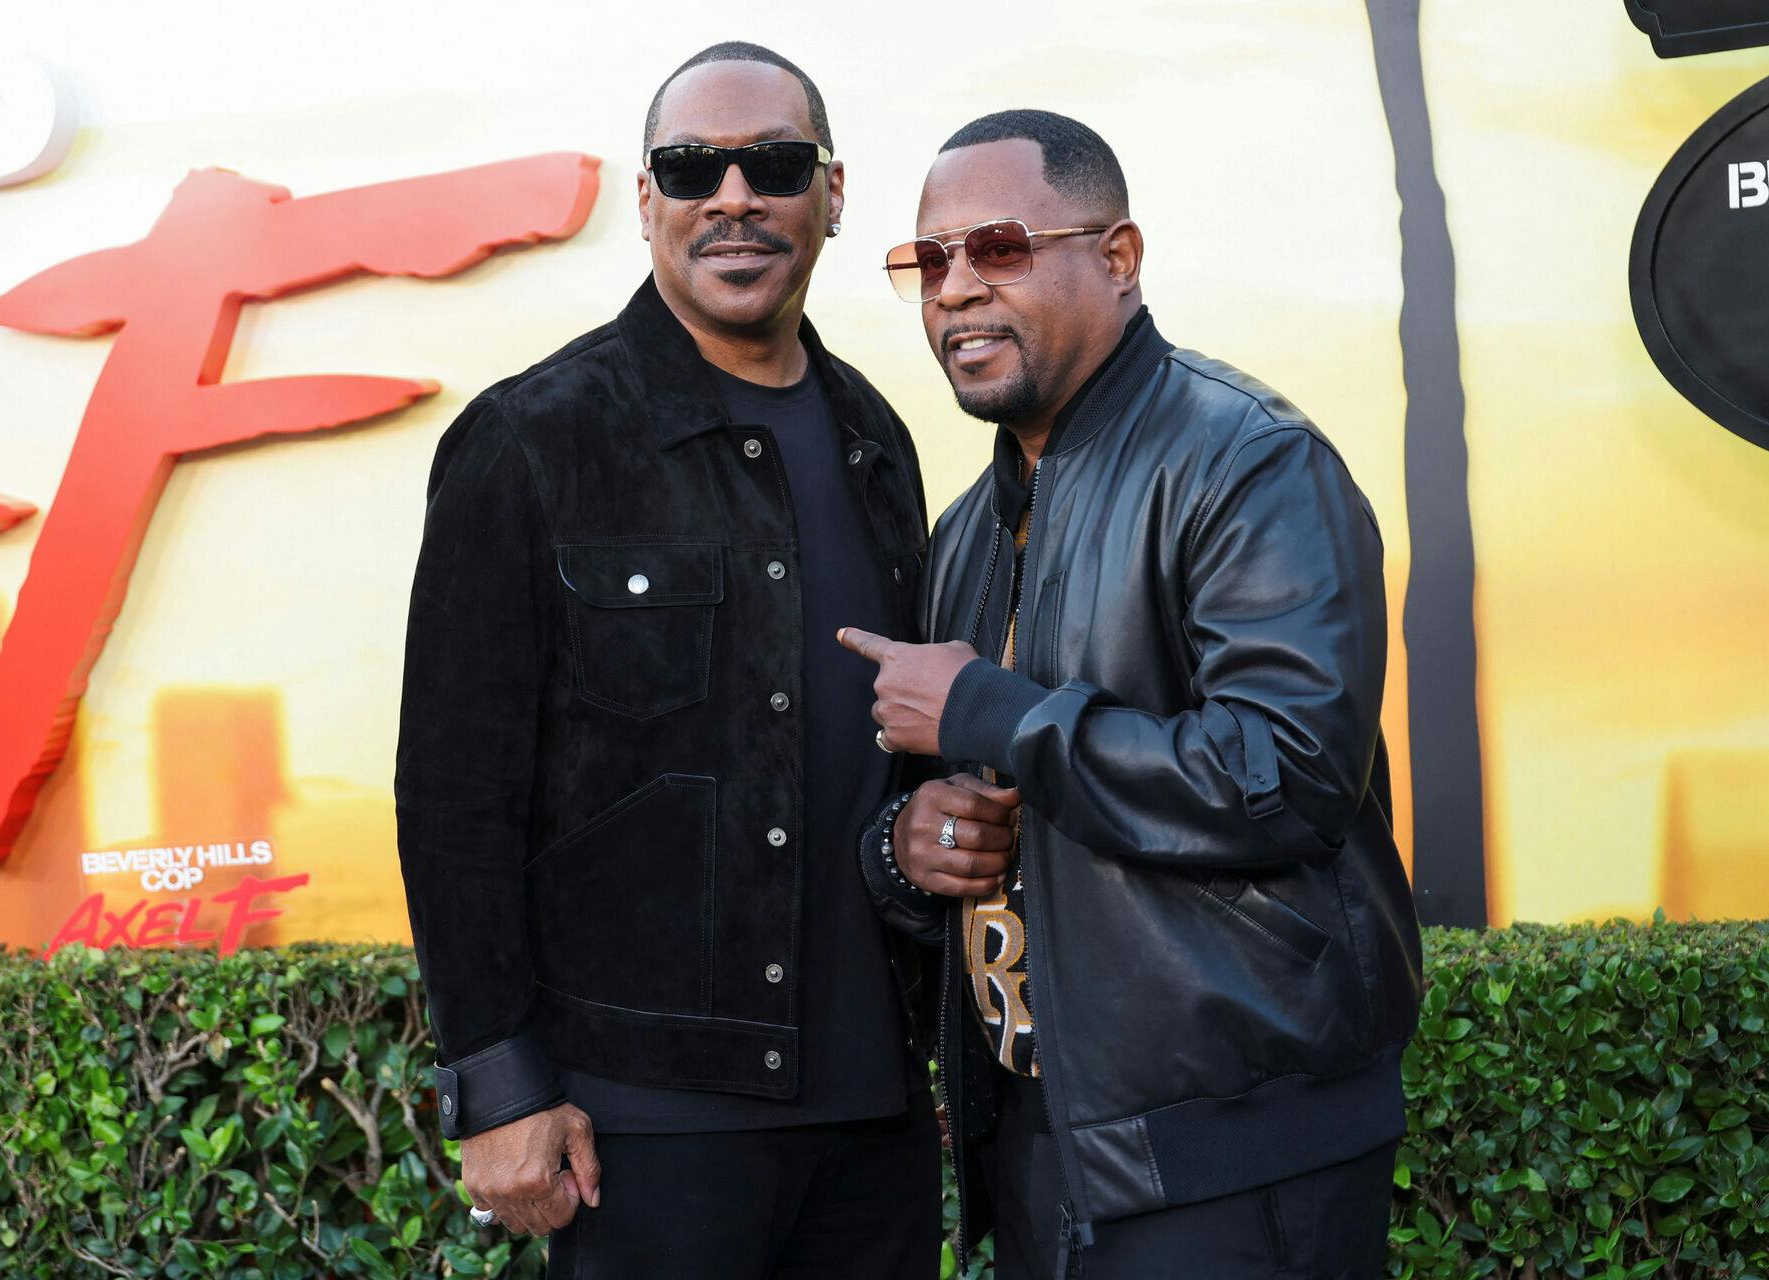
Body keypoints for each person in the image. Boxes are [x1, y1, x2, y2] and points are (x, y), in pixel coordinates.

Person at [840, 109, 1424, 1279]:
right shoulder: (969, 525)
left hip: (1233, 1160)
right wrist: (909, 849)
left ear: (1119, 257)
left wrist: (991, 711)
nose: (956, 288)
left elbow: (1287, 777)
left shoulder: (1249, 460)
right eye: (929, 261)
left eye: (998, 246)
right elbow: (964, 818)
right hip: (1045, 1144)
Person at [394, 42, 939, 1279]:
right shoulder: (531, 439)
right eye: (693, 168)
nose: (734, 198)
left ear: (832, 195)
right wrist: (498, 1084)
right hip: (642, 1124)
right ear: (647, 201)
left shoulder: (876, 438)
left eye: (775, 165)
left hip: (876, 1119)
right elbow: (454, 793)